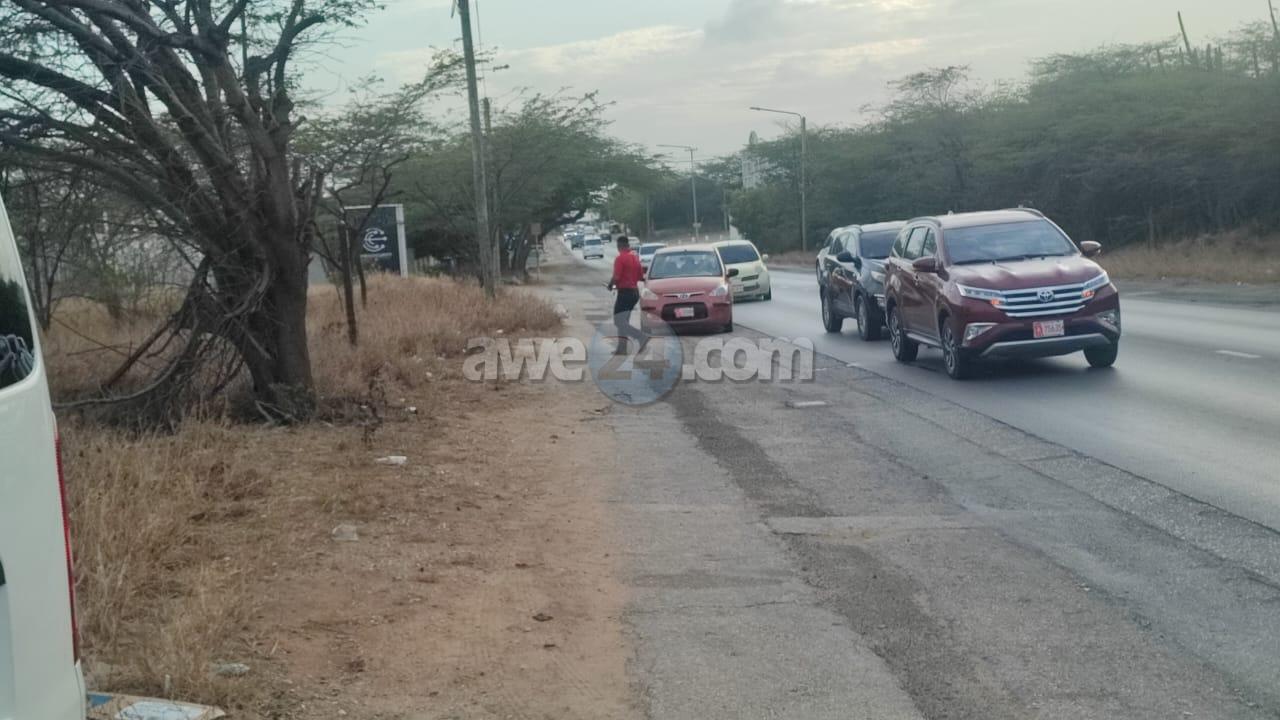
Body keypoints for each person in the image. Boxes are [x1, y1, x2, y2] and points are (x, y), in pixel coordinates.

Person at [607, 235, 646, 354]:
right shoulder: (635, 258)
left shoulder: (620, 259)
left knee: (618, 321)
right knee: (624, 321)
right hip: (634, 293)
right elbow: (640, 277)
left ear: (619, 246)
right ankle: (622, 348)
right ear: (628, 245)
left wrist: (610, 285)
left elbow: (616, 277)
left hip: (625, 293)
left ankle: (640, 336)